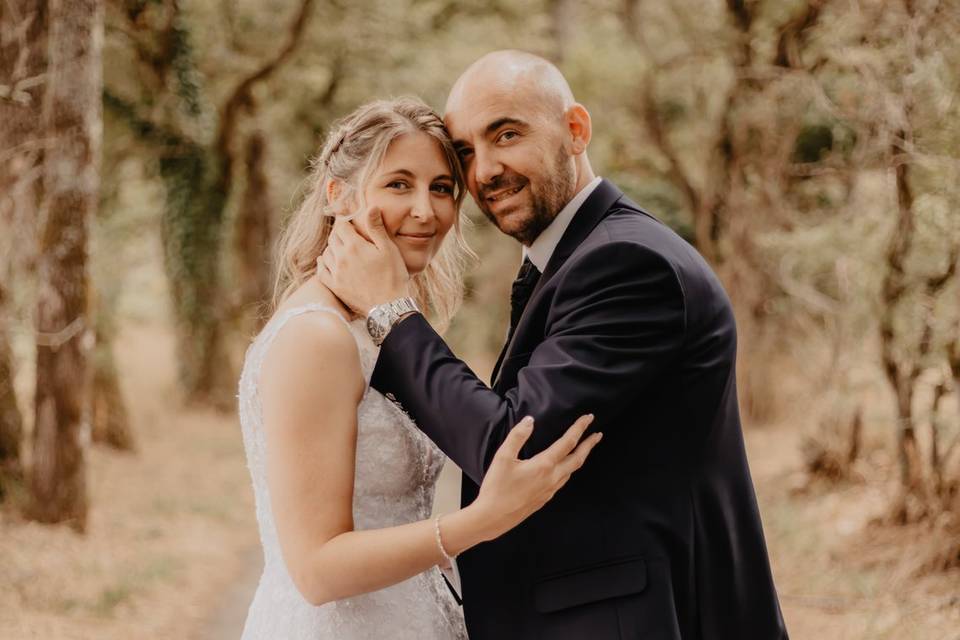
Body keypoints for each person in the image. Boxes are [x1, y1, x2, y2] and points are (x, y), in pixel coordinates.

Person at [319, 51, 789, 639]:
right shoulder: (572, 259)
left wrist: (393, 315)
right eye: (465, 152)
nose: (485, 170)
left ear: (575, 130)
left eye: (507, 134)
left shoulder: (628, 263)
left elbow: (512, 446)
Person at [237, 96, 601, 640]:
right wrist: (480, 522)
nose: (425, 212)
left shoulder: (376, 327)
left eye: (441, 189)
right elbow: (315, 569)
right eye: (398, 185)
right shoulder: (316, 337)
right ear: (338, 195)